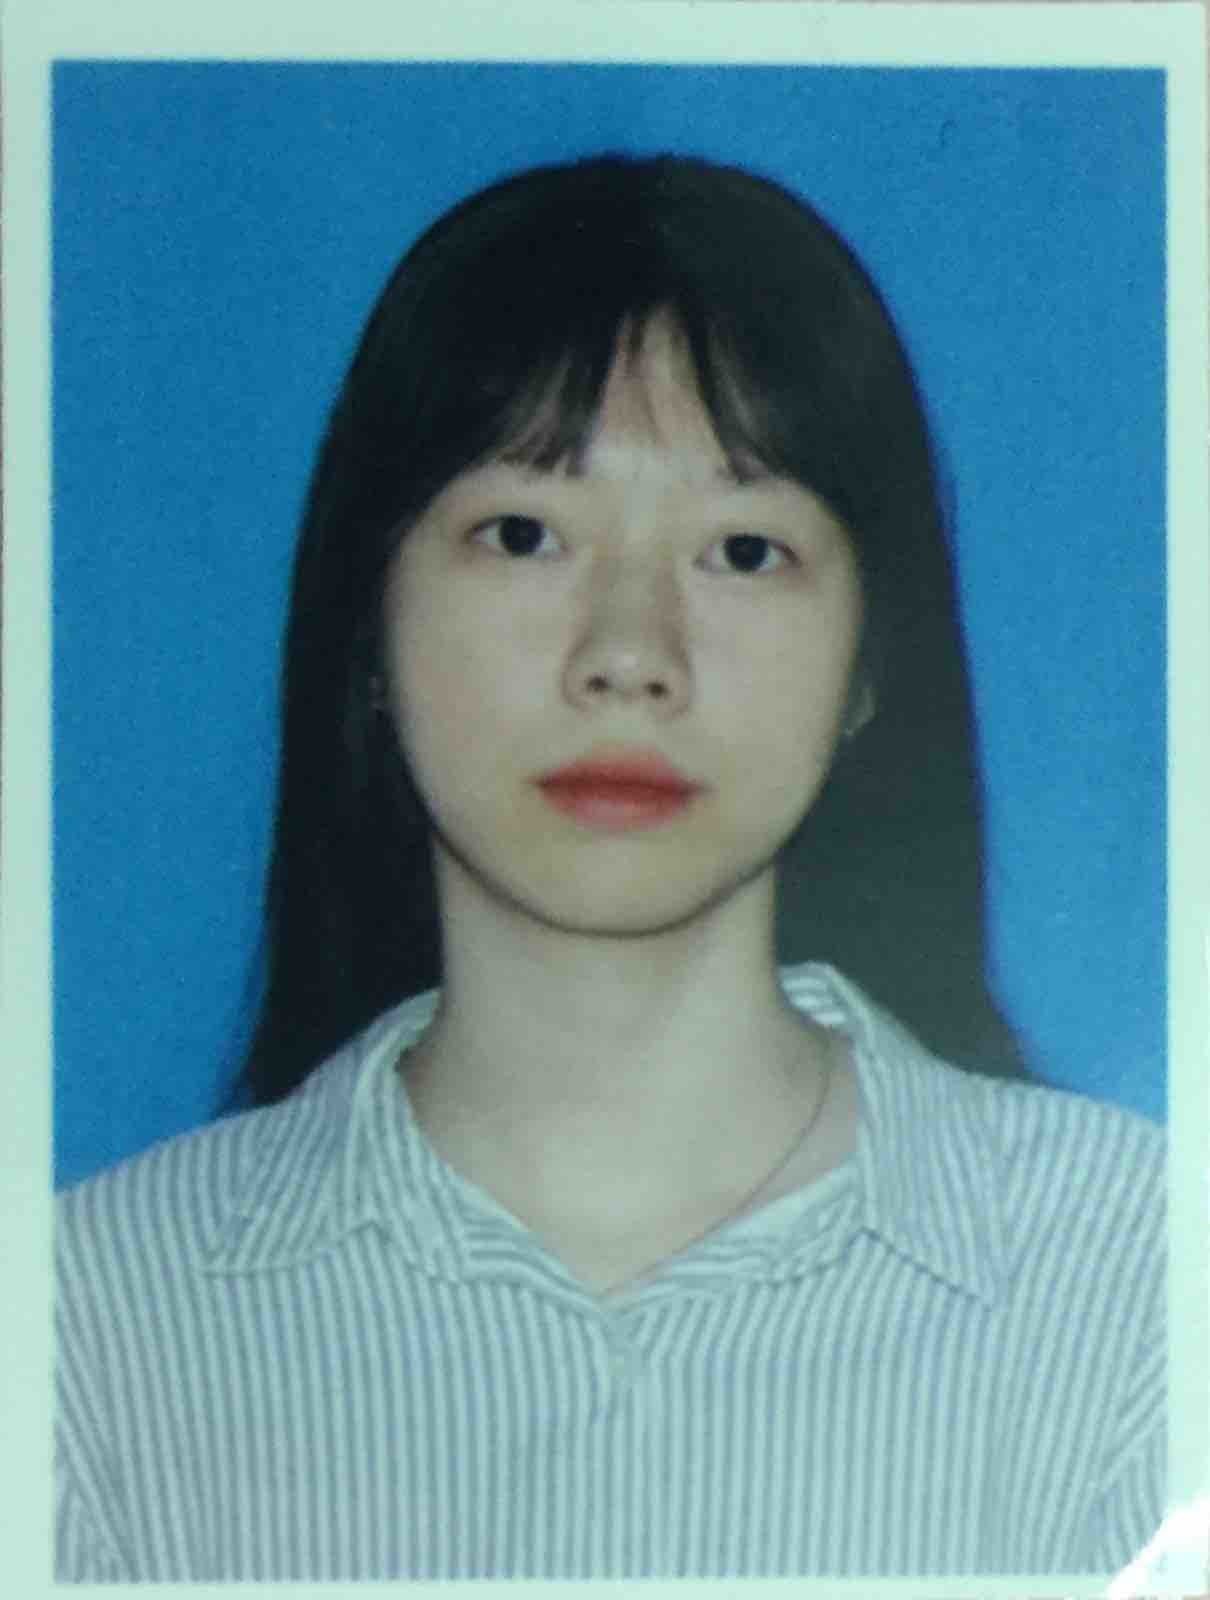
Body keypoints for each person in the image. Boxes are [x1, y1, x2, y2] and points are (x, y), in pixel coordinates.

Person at [54, 153, 1165, 1581]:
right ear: (367, 623)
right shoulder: (89, 1333)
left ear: (866, 665)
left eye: (744, 551)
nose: (630, 655)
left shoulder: (1134, 1286)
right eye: (523, 534)